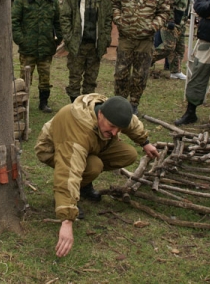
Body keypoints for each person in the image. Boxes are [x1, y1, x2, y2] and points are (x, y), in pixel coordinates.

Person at [35, 94, 159, 257]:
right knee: (93, 165)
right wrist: (67, 219)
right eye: (112, 126)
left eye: (119, 129)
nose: (115, 133)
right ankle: (73, 196)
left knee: (128, 154)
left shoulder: (109, 111)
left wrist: (145, 142)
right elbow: (68, 171)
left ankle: (84, 183)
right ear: (100, 115)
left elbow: (131, 123)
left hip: (93, 142)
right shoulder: (77, 127)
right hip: (53, 149)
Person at [111, 0, 169, 115]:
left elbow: (164, 12)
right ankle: (119, 103)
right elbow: (115, 3)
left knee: (140, 75)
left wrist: (153, 26)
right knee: (121, 73)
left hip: (145, 40)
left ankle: (133, 104)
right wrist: (118, 19)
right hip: (126, 38)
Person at [12, 0, 62, 113]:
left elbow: (58, 22)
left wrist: (57, 40)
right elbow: (14, 21)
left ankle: (43, 102)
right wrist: (21, 39)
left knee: (45, 77)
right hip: (28, 47)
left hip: (46, 47)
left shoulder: (53, 1)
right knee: (24, 77)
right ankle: (21, 103)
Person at [60, 0, 113, 103]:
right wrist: (69, 37)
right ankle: (74, 104)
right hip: (77, 44)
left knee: (91, 78)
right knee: (75, 76)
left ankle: (87, 105)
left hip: (95, 46)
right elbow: (65, 17)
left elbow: (108, 20)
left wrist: (105, 38)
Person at [153, 0, 194, 80]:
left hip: (181, 25)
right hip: (170, 25)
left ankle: (175, 72)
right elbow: (166, 4)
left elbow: (186, 8)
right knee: (168, 47)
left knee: (179, 49)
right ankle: (147, 59)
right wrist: (169, 20)